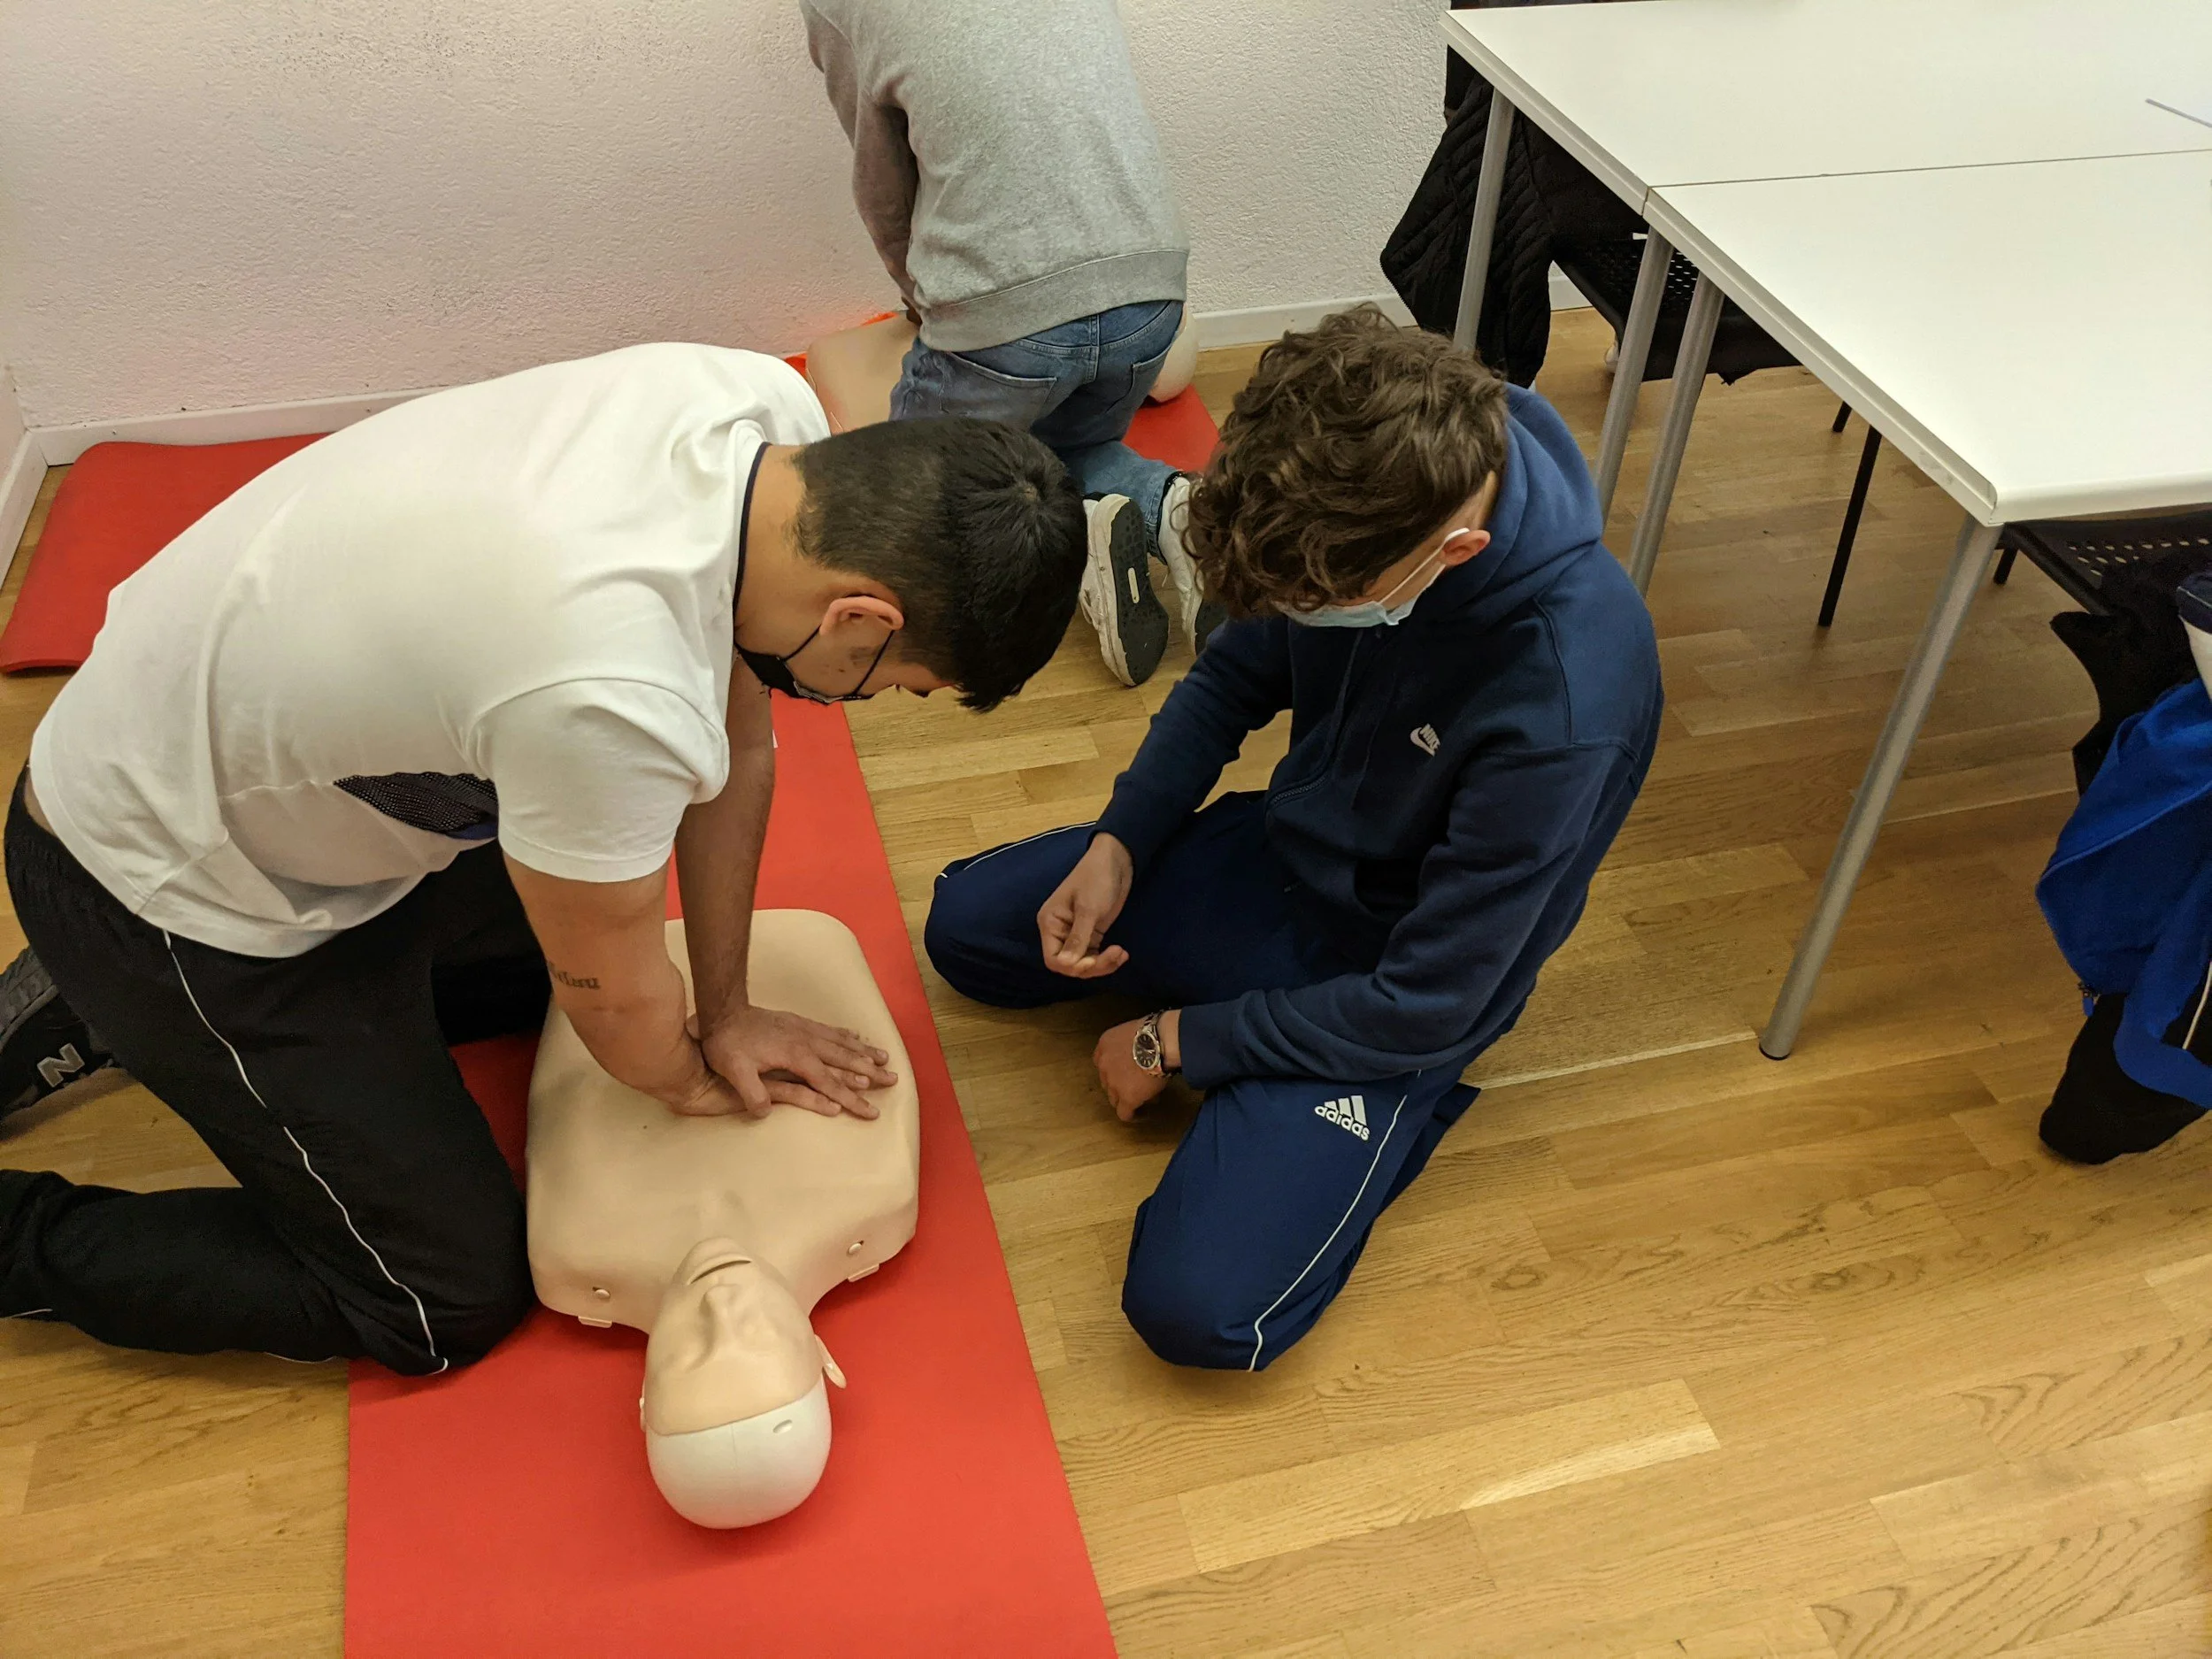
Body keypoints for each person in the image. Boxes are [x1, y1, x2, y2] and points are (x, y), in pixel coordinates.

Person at [0, 341, 1084, 1375]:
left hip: (220, 763)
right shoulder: (603, 690)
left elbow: (737, 741)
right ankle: (59, 1143)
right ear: (860, 616)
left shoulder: (764, 426)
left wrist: (730, 1002)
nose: (875, 704)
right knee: (439, 1298)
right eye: (898, 684)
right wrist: (693, 1078)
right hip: (166, 886)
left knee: (568, 956)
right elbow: (616, 1007)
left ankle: (119, 1012)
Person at [924, 309, 1663, 1370]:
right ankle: (1237, 1038)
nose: (1291, 613)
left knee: (1199, 1312)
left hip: (1384, 988)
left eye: (1317, 604)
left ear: (1453, 553)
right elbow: (1230, 676)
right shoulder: (1338, 496)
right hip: (1274, 859)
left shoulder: (1568, 693)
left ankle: (1362, 1119)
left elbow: (1429, 1001)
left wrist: (1175, 1042)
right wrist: (1121, 841)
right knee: (968, 933)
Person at [800, 0, 1211, 689]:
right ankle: (1169, 507)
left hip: (1005, 323)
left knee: (910, 504)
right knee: (1068, 447)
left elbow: (884, 187)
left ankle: (1075, 542)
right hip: (1153, 291)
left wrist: (921, 300)